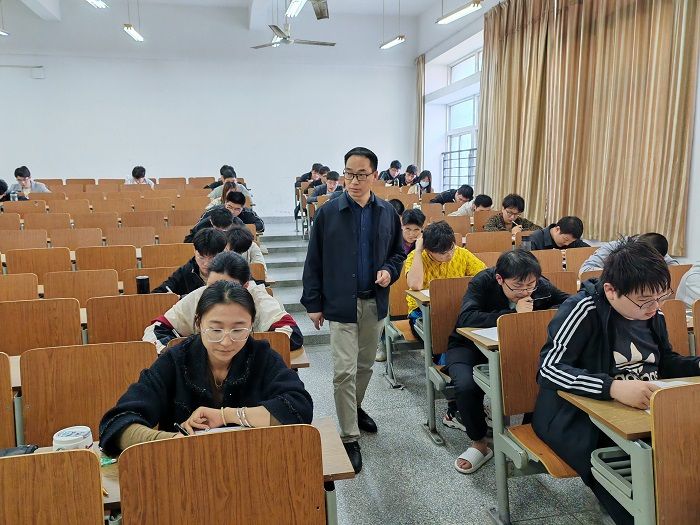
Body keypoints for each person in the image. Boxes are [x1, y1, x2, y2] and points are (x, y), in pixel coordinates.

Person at [533, 240, 700, 524]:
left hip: (643, 411)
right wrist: (611, 387)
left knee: (684, 457)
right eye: (645, 300)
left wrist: (696, 365)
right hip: (578, 415)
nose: (655, 307)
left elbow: (665, 361)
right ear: (611, 290)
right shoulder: (582, 309)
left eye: (661, 297)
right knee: (639, 478)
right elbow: (548, 370)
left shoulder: (652, 311)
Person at [100, 281, 313, 455]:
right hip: (184, 470)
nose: (226, 342)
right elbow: (118, 423)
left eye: (238, 330)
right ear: (199, 323)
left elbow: (299, 408)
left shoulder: (262, 356)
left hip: (252, 464)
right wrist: (173, 440)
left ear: (251, 325)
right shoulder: (175, 360)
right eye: (215, 330)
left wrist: (226, 416)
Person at [301, 146, 406, 474]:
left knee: (364, 367)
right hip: (340, 303)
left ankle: (354, 408)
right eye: (349, 174)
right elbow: (314, 259)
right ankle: (349, 436)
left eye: (361, 175)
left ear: (374, 176)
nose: (354, 181)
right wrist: (313, 302)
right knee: (343, 371)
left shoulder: (387, 213)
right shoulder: (328, 213)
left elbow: (398, 253)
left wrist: (389, 270)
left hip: (374, 302)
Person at [446, 250, 569, 474]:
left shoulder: (538, 285)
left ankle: (529, 434)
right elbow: (466, 317)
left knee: (543, 376)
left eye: (530, 286)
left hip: (516, 347)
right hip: (469, 346)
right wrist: (510, 316)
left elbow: (569, 303)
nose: (525, 292)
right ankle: (479, 443)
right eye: (518, 287)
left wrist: (543, 315)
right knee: (465, 385)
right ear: (499, 279)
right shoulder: (482, 281)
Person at [144, 252, 303, 352]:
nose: (217, 293)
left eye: (227, 286)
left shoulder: (258, 298)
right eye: (212, 286)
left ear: (245, 286)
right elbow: (156, 329)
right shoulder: (200, 295)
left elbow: (292, 334)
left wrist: (241, 347)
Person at [405, 221, 487, 338]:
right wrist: (418, 250)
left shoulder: (462, 253)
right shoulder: (415, 257)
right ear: (428, 250)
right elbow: (415, 285)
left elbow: (484, 275)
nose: (450, 254)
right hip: (423, 311)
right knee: (441, 332)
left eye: (451, 248)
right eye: (443, 253)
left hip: (456, 307)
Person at [152, 229, 227, 296]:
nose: (206, 263)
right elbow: (157, 294)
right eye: (201, 258)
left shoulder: (229, 271)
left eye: (212, 259)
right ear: (194, 250)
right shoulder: (186, 270)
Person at [580, 233, 678, 274]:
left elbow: (676, 270)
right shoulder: (612, 247)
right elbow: (586, 270)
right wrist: (619, 275)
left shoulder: (655, 250)